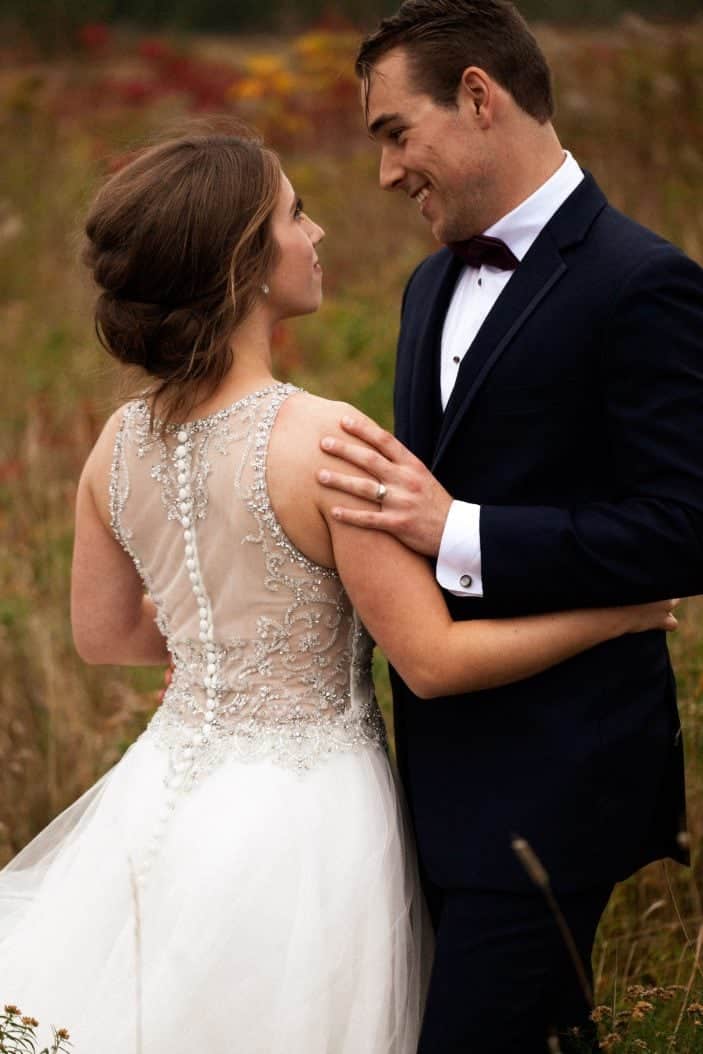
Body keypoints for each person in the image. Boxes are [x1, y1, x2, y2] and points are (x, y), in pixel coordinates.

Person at [0, 129, 679, 1054]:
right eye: (293, 214)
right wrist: (624, 611)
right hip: (307, 814)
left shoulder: (114, 446)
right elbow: (433, 662)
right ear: (246, 260)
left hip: (162, 798)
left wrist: (224, 640)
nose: (315, 234)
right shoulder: (326, 443)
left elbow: (104, 636)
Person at [315, 2, 703, 1051]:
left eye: (396, 132)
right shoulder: (427, 283)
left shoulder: (644, 282)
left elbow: (684, 526)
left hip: (561, 782)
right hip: (431, 780)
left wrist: (462, 529)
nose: (388, 171)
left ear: (479, 97)